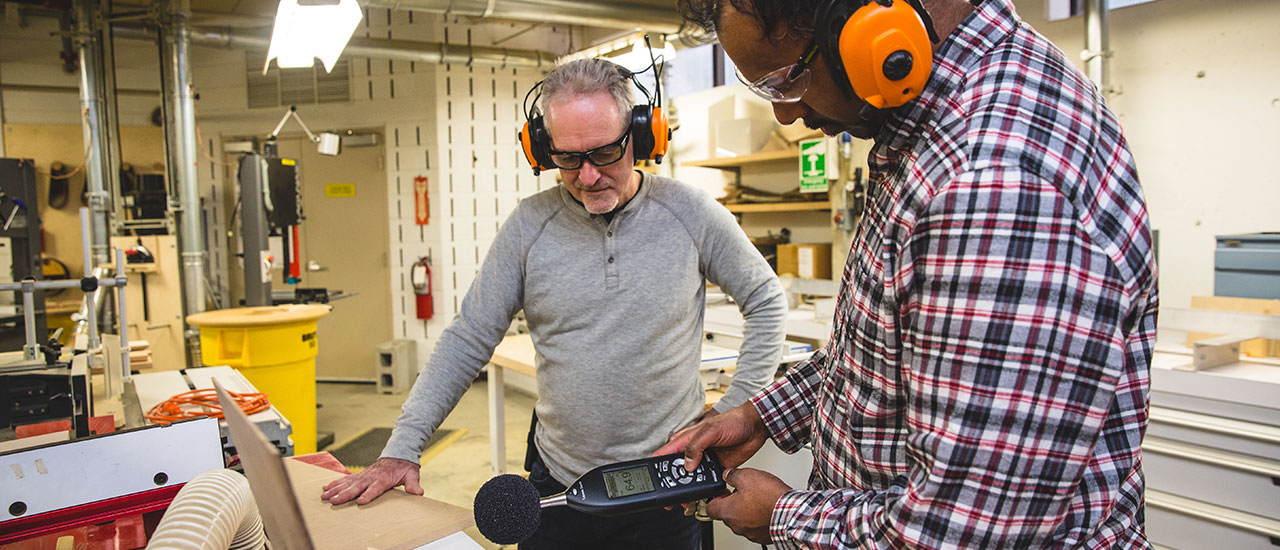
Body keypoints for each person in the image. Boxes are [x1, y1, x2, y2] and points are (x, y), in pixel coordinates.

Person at [658, 0, 1159, 548]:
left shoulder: (991, 181)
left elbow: (962, 530)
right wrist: (761, 415)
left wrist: (780, 516)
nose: (785, 114)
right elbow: (887, 356)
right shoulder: (930, 132)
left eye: (786, 80)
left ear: (860, 28)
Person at [321, 58, 788, 550]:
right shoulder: (528, 226)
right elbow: (468, 338)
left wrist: (739, 410)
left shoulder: (690, 214)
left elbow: (765, 301)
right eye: (568, 158)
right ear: (542, 149)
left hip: (667, 484)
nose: (587, 176)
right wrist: (402, 448)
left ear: (640, 136)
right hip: (559, 483)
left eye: (605, 153)